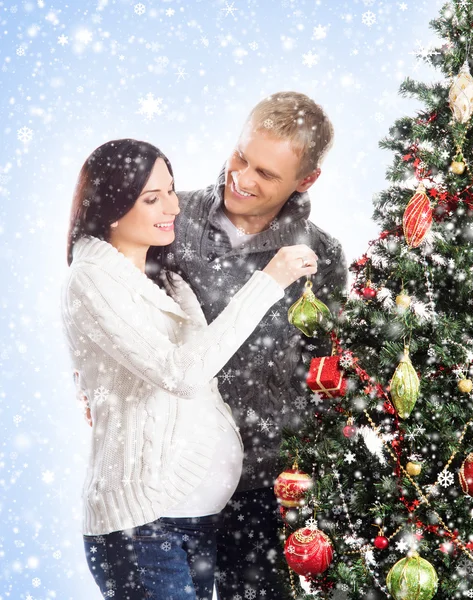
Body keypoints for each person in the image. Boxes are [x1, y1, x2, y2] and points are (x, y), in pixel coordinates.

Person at [61, 138, 319, 600]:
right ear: (112, 209)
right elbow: (180, 374)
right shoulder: (91, 278)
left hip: (198, 523)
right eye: (151, 198)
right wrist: (269, 281)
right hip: (145, 530)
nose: (173, 207)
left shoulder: (166, 281)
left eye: (172, 191)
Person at [163, 92, 348, 598]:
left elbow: (326, 371)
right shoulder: (169, 224)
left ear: (305, 181)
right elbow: (115, 297)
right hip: (172, 478)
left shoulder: (322, 257)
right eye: (241, 157)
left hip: (264, 489)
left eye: (266, 174)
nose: (242, 178)